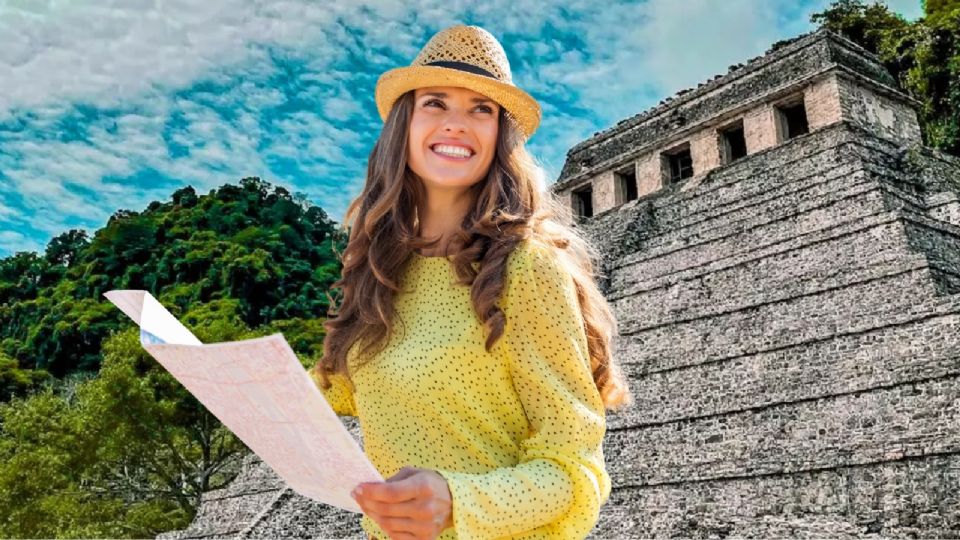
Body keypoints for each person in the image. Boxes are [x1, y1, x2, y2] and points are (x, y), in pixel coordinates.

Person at [308, 24, 633, 540]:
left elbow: (577, 472)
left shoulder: (526, 267)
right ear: (404, 126)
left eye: (481, 109)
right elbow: (335, 396)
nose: (458, 123)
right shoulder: (378, 271)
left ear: (499, 136)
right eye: (435, 103)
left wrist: (457, 500)